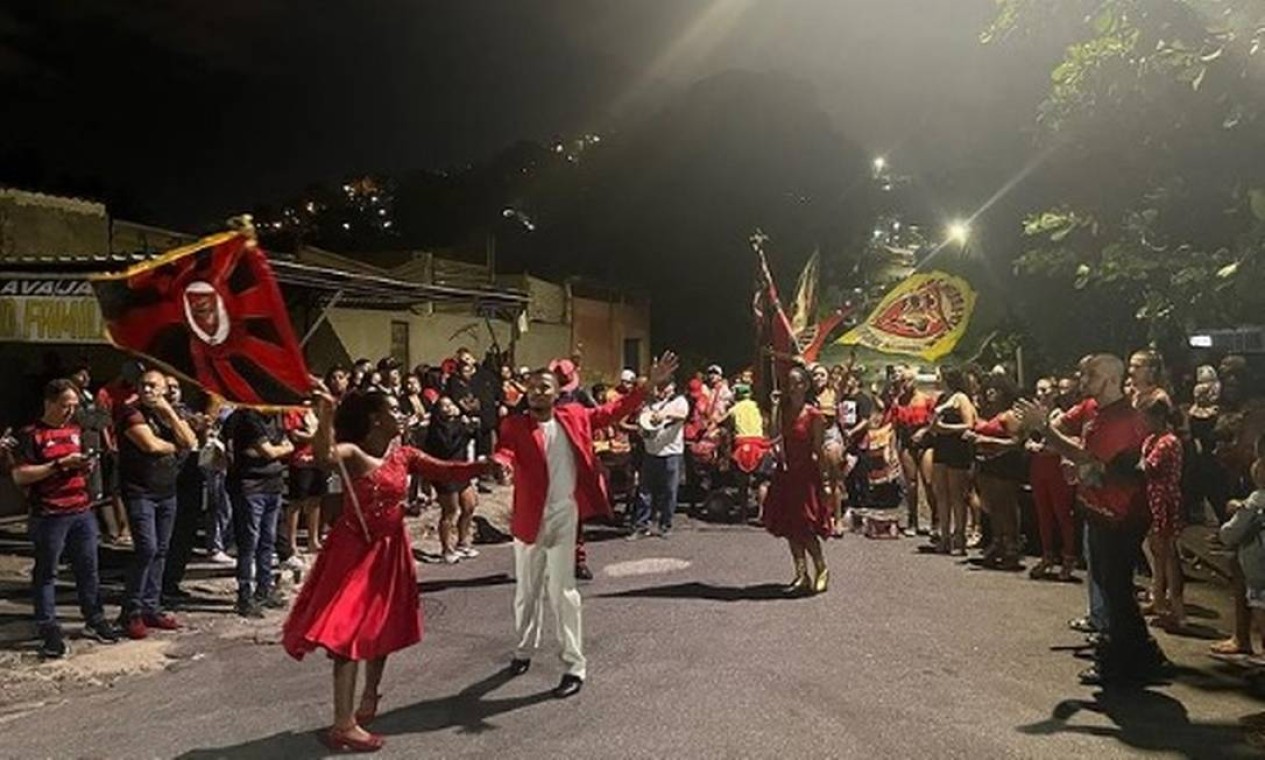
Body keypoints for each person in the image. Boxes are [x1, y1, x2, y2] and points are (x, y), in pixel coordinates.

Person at [283, 387, 490, 753]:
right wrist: (327, 413)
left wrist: (486, 465)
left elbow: (447, 469)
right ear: (377, 419)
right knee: (345, 634)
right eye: (396, 410)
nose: (404, 415)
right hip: (352, 552)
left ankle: (369, 695)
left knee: (380, 626)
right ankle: (343, 724)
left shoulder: (404, 454)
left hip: (391, 550)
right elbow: (323, 456)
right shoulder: (353, 453)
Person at [494, 352, 675, 699]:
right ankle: (522, 651)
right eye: (531, 388)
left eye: (543, 387)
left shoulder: (574, 416)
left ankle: (573, 666)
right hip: (528, 517)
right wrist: (499, 463)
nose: (537, 393)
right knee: (526, 593)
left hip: (564, 514)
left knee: (563, 593)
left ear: (557, 391)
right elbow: (505, 451)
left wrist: (648, 385)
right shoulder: (514, 426)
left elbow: (613, 412)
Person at [1018, 354, 1170, 685]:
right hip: (1099, 509)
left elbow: (1085, 459)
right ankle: (1142, 654)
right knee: (1111, 585)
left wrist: (1045, 429)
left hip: (1121, 515)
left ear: (1111, 380)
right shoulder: (1093, 409)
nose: (1084, 381)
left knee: (1114, 587)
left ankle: (1119, 661)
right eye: (1084, 374)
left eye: (1092, 375)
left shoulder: (1121, 420)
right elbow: (1076, 448)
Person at [12, 379, 122, 657]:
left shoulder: (78, 430)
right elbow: (20, 475)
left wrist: (87, 463)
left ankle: (94, 619)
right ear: (49, 403)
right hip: (49, 514)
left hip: (81, 510)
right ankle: (47, 625)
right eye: (64, 405)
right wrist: (58, 465)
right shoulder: (31, 435)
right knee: (47, 572)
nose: (70, 411)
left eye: (74, 405)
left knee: (88, 569)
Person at [115, 370, 197, 639]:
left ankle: (152, 607)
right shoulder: (130, 413)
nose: (148, 390)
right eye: (144, 385)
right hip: (140, 492)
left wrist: (170, 415)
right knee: (146, 549)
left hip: (167, 492)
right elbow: (150, 445)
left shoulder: (170, 413)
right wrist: (174, 445)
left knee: (162, 550)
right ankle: (131, 612)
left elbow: (191, 442)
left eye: (154, 386)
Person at [764, 366, 833, 594]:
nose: (792, 387)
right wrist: (774, 408)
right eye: (789, 383)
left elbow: (818, 449)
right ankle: (801, 574)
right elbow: (773, 435)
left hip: (806, 476)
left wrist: (824, 481)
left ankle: (821, 568)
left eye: (797, 383)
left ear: (805, 386)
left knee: (805, 526)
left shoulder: (814, 415)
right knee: (790, 527)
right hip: (786, 472)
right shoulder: (783, 411)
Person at [226, 406, 293, 618]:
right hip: (250, 485)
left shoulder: (277, 418)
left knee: (268, 539)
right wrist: (278, 450)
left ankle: (264, 589)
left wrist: (276, 450)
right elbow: (270, 451)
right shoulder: (249, 418)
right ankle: (244, 595)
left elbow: (286, 445)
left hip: (273, 484)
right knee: (249, 542)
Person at [965, 374, 1024, 570]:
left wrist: (988, 442)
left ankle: (1011, 548)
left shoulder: (1009, 415)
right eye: (988, 389)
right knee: (993, 508)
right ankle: (998, 542)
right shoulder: (989, 413)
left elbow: (1017, 443)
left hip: (1005, 466)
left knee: (1006, 507)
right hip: (987, 466)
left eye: (995, 390)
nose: (990, 393)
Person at [161, 375, 210, 606]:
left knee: (185, 535)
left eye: (176, 387)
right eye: (167, 388)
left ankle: (173, 582)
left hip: (191, 477)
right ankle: (161, 585)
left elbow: (198, 443)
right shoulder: (156, 415)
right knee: (166, 537)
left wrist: (204, 429)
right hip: (168, 481)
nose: (172, 392)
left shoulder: (188, 412)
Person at [1026, 377, 1078, 581]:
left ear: (1055, 392)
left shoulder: (1061, 415)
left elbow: (1068, 443)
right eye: (1039, 390)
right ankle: (1047, 555)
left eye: (1046, 390)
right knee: (1043, 513)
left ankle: (1069, 557)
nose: (1041, 394)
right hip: (1038, 467)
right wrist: (1031, 445)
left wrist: (1045, 448)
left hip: (1055, 466)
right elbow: (1026, 436)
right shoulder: (1036, 415)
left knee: (1062, 514)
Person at [1140, 397, 1185, 629]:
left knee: (1167, 554)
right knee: (1156, 552)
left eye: (1145, 417)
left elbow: (1148, 467)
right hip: (1152, 498)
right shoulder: (1152, 438)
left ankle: (1178, 610)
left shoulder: (1168, 441)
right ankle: (1157, 599)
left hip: (1163, 499)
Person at [1218, 444, 1265, 665]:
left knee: (1260, 607)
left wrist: (1227, 527)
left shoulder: (1256, 501)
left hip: (1258, 564)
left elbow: (1232, 532)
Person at [628, 378, 689, 539]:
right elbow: (642, 424)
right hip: (651, 453)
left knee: (669, 491)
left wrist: (664, 414)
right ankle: (642, 526)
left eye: (665, 386)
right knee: (645, 491)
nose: (662, 389)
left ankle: (665, 526)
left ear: (672, 387)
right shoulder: (649, 405)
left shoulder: (679, 401)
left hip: (671, 453)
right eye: (659, 386)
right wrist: (644, 431)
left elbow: (682, 415)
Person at [422, 397, 480, 563]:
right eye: (444, 406)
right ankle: (446, 549)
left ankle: (463, 542)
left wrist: (471, 425)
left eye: (450, 404)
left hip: (461, 470)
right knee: (450, 511)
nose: (449, 408)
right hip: (444, 472)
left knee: (470, 505)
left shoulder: (458, 422)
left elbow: (472, 436)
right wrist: (463, 430)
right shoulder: (436, 428)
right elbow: (447, 446)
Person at [928, 366, 977, 555]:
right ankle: (945, 536)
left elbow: (969, 424)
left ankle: (960, 537)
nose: (936, 379)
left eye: (939, 376)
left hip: (957, 448)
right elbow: (933, 425)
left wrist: (944, 428)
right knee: (941, 491)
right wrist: (936, 426)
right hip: (941, 447)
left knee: (957, 493)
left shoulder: (961, 398)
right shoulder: (941, 399)